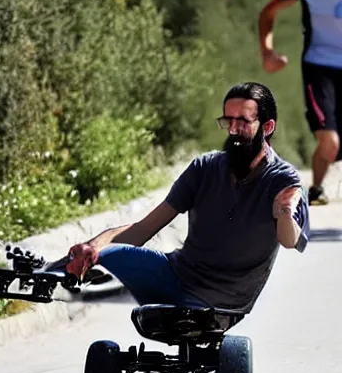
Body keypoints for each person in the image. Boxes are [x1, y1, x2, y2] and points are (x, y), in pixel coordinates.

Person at [61, 82, 309, 313]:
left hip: (224, 298)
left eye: (243, 122)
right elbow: (144, 228)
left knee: (181, 316)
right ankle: (46, 276)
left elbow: (289, 240)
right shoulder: (206, 167)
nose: (233, 130)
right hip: (177, 274)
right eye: (227, 120)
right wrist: (92, 249)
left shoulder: (283, 179)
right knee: (105, 256)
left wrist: (285, 211)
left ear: (267, 127)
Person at [258, 0, 342, 206]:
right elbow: (268, 13)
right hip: (320, 66)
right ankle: (317, 188)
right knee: (330, 142)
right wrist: (267, 52)